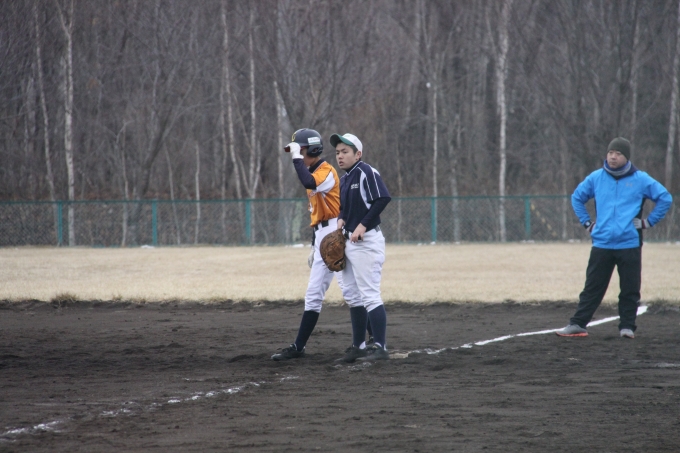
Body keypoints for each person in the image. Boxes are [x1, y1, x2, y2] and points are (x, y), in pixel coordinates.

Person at [556, 137, 672, 339]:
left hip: (629, 243)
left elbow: (665, 198)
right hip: (602, 243)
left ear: (626, 157)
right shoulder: (596, 177)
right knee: (592, 287)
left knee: (629, 289)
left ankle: (627, 327)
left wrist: (648, 222)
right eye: (610, 153)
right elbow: (577, 197)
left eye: (618, 154)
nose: (613, 157)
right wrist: (587, 223)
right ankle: (578, 324)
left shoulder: (641, 179)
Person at [271, 129, 370, 361]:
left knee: (350, 290)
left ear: (312, 149)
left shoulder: (325, 171)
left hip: (336, 231)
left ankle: (368, 342)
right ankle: (298, 347)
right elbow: (316, 214)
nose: (298, 154)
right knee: (314, 294)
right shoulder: (314, 172)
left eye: (301, 150)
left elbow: (308, 181)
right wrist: (313, 244)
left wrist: (296, 158)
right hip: (322, 235)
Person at [332, 133, 392, 362]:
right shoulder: (345, 179)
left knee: (369, 294)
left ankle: (380, 347)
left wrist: (362, 225)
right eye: (337, 152)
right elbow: (345, 207)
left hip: (367, 242)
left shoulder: (367, 172)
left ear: (358, 154)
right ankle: (359, 346)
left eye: (345, 152)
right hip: (349, 242)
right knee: (352, 295)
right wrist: (341, 219)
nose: (340, 156)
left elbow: (382, 198)